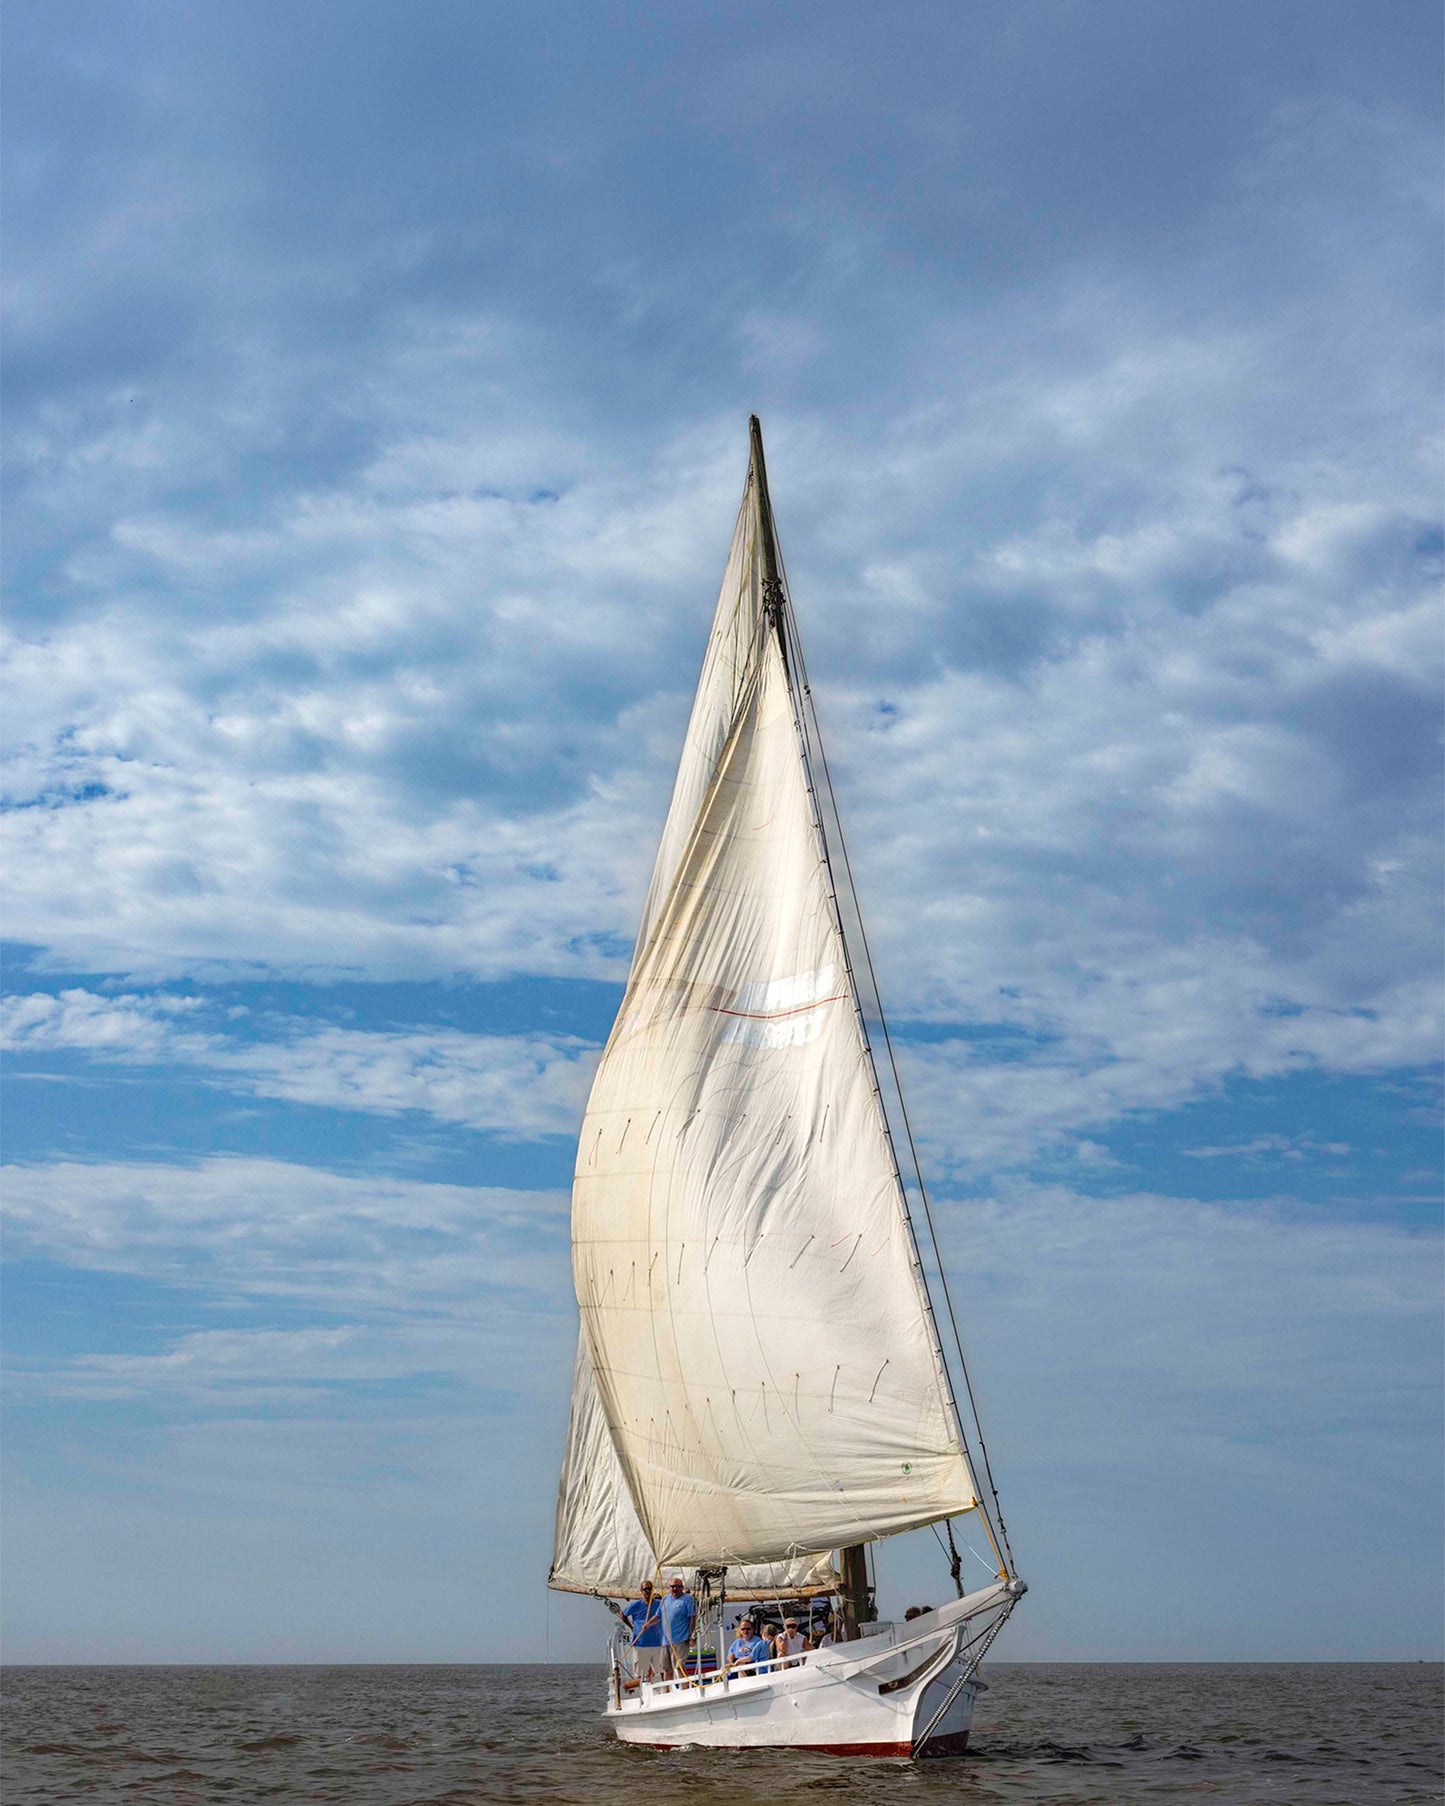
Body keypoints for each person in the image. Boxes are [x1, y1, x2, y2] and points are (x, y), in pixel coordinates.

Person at [620, 1579, 664, 1677]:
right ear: (641, 1591)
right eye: (645, 1589)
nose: (647, 1591)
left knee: (662, 1669)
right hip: (641, 1643)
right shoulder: (636, 1605)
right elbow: (622, 1614)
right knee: (641, 1672)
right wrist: (632, 1627)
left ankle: (667, 1690)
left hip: (657, 1642)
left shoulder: (659, 1604)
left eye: (649, 1589)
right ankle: (643, 1689)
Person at [661, 1574, 697, 1676]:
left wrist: (691, 1635)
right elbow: (658, 1616)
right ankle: (667, 1691)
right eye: (673, 1586)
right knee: (667, 1669)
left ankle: (685, 1688)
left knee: (679, 1667)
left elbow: (692, 1618)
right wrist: (647, 1624)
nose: (675, 1588)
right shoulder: (665, 1599)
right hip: (666, 1641)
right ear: (669, 1588)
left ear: (682, 1587)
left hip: (681, 1639)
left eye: (678, 1586)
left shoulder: (688, 1599)